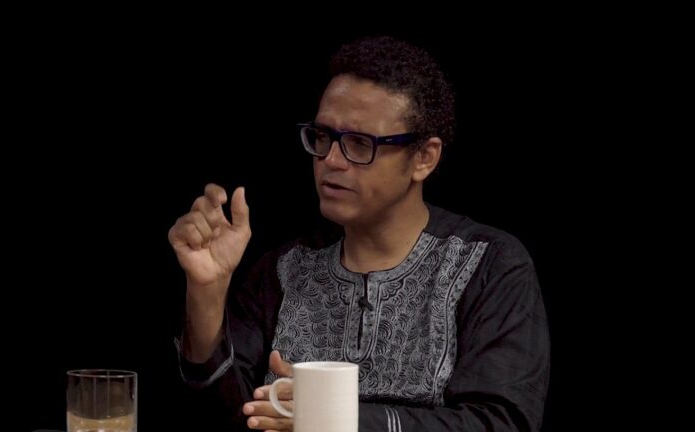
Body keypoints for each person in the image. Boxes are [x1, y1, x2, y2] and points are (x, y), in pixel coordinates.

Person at [169, 35, 550, 431]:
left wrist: (337, 417)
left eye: (359, 143)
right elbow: (218, 418)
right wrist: (206, 291)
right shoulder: (284, 269)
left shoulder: (490, 265)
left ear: (424, 158)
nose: (331, 160)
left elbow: (502, 423)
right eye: (323, 137)